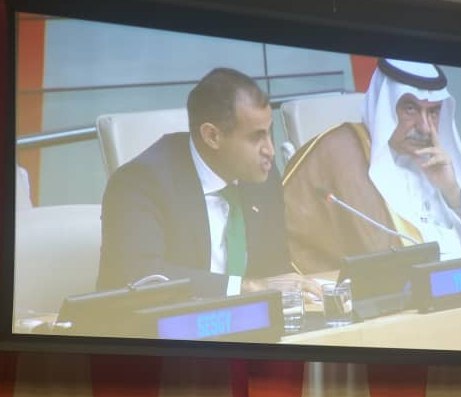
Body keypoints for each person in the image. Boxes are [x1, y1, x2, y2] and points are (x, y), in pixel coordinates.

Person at [98, 67, 313, 298]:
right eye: (255, 137)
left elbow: (275, 269)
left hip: (249, 317)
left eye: (269, 133)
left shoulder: (262, 178)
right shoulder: (138, 184)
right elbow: (144, 277)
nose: (270, 150)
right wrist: (245, 288)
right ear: (212, 136)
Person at [283, 58, 461, 273]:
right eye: (410, 109)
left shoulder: (441, 165)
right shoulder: (343, 155)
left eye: (433, 112)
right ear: (385, 106)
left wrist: (452, 193)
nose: (425, 128)